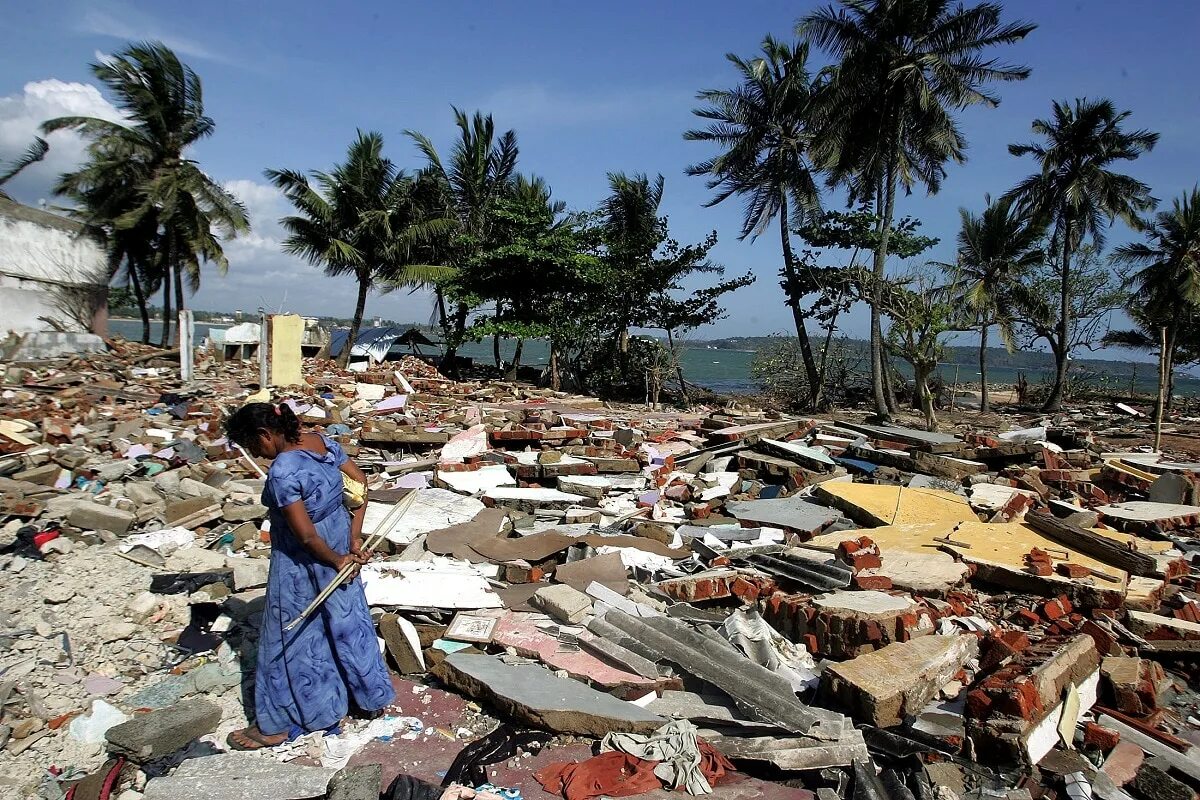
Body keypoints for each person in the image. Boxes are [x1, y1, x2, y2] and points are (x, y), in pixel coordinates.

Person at [223, 402, 395, 749]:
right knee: (348, 624)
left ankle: (278, 724)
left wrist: (333, 560)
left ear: (264, 435)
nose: (259, 455)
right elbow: (360, 485)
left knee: (291, 637)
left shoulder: (284, 471)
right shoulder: (319, 441)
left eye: (255, 447)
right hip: (340, 545)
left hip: (303, 561)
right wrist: (353, 539)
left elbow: (305, 536)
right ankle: (368, 700)